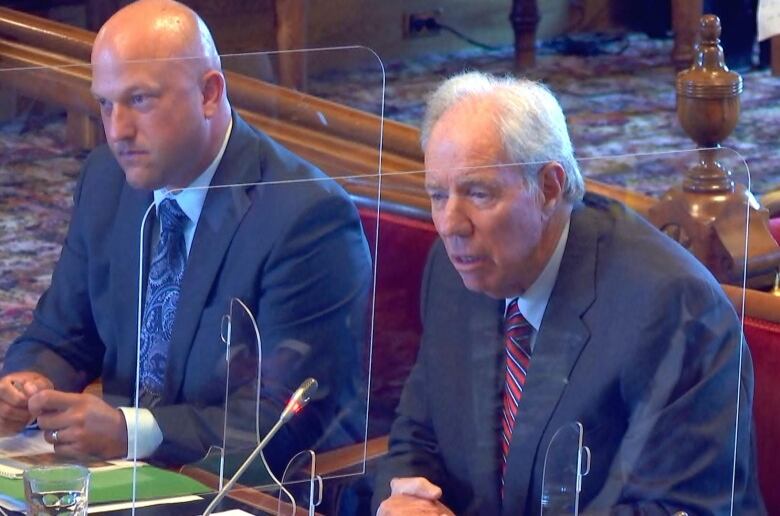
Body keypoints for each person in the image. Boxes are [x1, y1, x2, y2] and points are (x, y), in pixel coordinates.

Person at [0, 0, 371, 472]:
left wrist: (129, 432)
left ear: (209, 93)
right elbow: (61, 334)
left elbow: (282, 425)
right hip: (118, 477)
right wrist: (28, 382)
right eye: (105, 104)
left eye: (140, 100)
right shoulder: (106, 179)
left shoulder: (305, 218)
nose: (117, 131)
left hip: (236, 488)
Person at [372, 72, 764, 515]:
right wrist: (404, 498)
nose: (449, 225)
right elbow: (418, 433)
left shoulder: (672, 306)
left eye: (477, 193)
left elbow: (681, 507)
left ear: (549, 187)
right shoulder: (456, 271)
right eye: (437, 195)